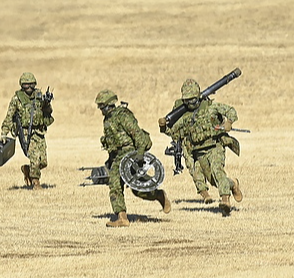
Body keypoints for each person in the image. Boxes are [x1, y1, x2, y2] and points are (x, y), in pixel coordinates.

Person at [159, 79, 243, 215]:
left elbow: (230, 111)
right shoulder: (184, 116)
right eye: (187, 101)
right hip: (197, 151)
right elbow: (173, 133)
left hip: (215, 145)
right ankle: (233, 184)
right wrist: (163, 126)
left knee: (217, 171)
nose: (190, 103)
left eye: (192, 100)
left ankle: (225, 201)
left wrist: (229, 122)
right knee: (213, 180)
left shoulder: (210, 107)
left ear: (198, 97)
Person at [96, 89, 171, 227]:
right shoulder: (107, 119)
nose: (100, 110)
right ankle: (125, 215)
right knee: (126, 187)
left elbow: (139, 136)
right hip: (117, 156)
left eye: (101, 107)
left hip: (130, 153)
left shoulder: (123, 116)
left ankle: (125, 216)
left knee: (126, 186)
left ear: (108, 105)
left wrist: (140, 155)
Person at [0, 72, 53, 189]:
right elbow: (9, 116)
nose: (29, 88)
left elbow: (47, 112)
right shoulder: (16, 99)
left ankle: (27, 170)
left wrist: (47, 103)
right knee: (34, 158)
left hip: (39, 132)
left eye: (31, 85)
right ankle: (36, 182)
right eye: (26, 85)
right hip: (25, 133)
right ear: (21, 86)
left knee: (43, 161)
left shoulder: (39, 96)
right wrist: (4, 133)